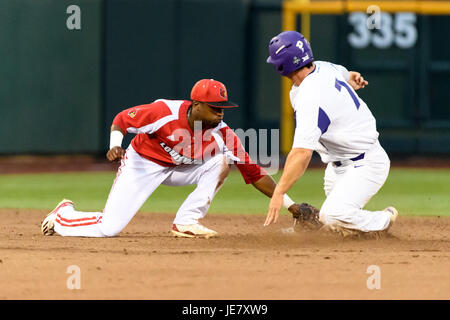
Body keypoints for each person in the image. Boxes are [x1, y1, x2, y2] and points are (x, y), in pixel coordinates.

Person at [42, 79, 311, 238]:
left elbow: (255, 174)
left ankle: (186, 221)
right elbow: (122, 119)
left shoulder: (224, 135)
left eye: (223, 108)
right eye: (215, 108)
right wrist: (115, 145)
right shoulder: (164, 112)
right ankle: (64, 214)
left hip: (180, 168)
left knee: (220, 163)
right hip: (142, 164)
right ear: (196, 105)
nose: (221, 113)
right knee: (109, 229)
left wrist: (292, 206)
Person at [264, 31, 398, 237]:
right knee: (335, 226)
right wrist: (351, 77)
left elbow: (302, 153)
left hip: (366, 163)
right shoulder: (323, 67)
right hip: (337, 167)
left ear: (282, 64)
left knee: (333, 216)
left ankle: (384, 219)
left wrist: (279, 192)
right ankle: (355, 230)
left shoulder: (310, 97)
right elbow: (344, 73)